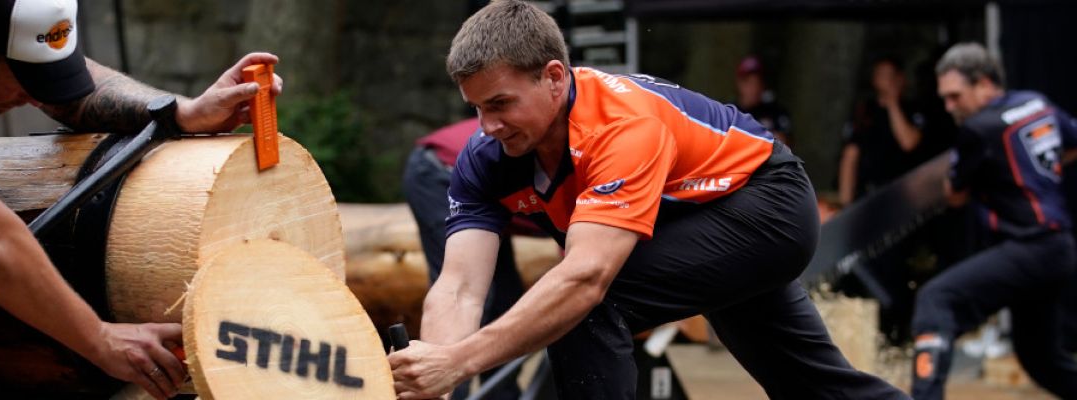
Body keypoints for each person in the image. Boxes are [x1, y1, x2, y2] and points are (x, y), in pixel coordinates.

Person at [387, 1, 909, 399]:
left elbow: (587, 278)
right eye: (476, 108)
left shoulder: (620, 126)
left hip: (763, 204)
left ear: (553, 77)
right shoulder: (485, 157)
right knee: (813, 385)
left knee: (584, 307)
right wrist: (432, 372)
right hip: (689, 224)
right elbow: (456, 288)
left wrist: (460, 361)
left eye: (501, 104)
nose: (487, 126)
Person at [0, 1, 282, 398]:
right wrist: (99, 339)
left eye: (45, 76)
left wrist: (181, 113)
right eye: (24, 79)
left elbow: (68, 83)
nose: (37, 98)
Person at [909, 42, 1077, 399]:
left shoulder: (978, 129)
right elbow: (1071, 144)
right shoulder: (1036, 103)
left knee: (936, 299)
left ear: (984, 83)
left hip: (1029, 246)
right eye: (945, 99)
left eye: (955, 97)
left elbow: (954, 195)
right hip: (1058, 247)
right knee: (1041, 361)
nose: (949, 108)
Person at [402, 118, 525, 399]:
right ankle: (448, 393)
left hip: (494, 200)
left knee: (508, 300)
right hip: (438, 171)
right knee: (472, 297)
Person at [839, 57, 928, 206]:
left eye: (890, 76)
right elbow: (851, 155)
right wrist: (844, 203)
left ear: (900, 78)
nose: (886, 81)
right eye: (881, 75)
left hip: (904, 192)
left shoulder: (913, 109)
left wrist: (892, 103)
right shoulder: (864, 111)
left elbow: (908, 142)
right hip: (868, 194)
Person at [733, 55, 793, 147]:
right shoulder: (730, 112)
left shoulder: (775, 112)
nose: (754, 88)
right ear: (740, 84)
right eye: (749, 83)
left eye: (758, 83)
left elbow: (785, 146)